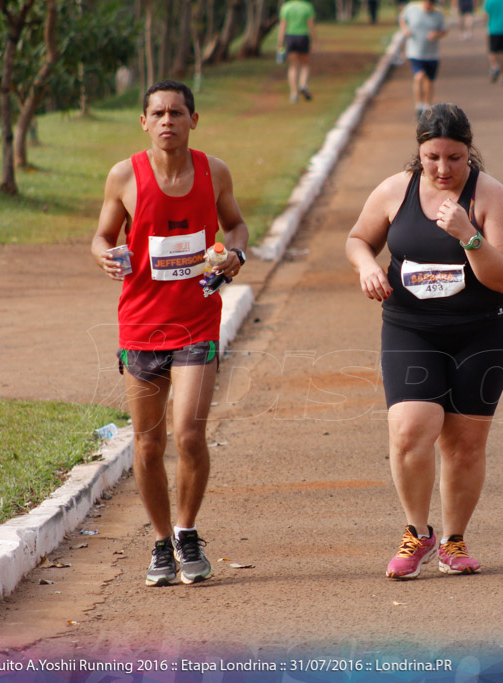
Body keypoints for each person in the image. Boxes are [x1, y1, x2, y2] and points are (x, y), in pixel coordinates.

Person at [345, 103, 503, 579]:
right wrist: (365, 266)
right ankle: (416, 532)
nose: (443, 169)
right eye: (433, 158)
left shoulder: (491, 197)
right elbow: (358, 239)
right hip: (411, 326)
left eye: (455, 158)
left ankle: (454, 540)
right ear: (419, 153)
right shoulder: (394, 190)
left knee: (464, 444)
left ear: (469, 153)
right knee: (409, 428)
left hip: (481, 330)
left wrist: (469, 236)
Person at [90, 80, 249, 587]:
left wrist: (236, 255)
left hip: (196, 323)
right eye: (157, 112)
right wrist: (104, 255)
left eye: (177, 112)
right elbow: (102, 237)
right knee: (148, 443)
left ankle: (187, 531)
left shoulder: (213, 172)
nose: (167, 121)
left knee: (190, 434)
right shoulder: (125, 176)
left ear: (193, 120)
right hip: (140, 326)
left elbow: (237, 226)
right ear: (143, 121)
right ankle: (160, 543)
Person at [399, 0, 448, 118]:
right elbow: (402, 19)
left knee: (429, 81)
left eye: (431, 3)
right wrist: (405, 30)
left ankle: (426, 106)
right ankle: (418, 106)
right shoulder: (412, 8)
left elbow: (444, 30)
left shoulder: (438, 14)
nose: (428, 5)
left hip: (432, 53)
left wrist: (437, 35)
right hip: (415, 52)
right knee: (419, 76)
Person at [277, 0, 317, 103]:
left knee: (293, 66)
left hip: (290, 37)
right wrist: (314, 40)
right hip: (303, 37)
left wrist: (280, 42)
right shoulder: (307, 7)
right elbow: (311, 25)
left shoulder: (286, 7)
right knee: (305, 64)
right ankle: (303, 84)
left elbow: (282, 25)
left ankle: (294, 94)